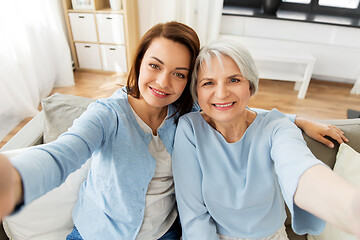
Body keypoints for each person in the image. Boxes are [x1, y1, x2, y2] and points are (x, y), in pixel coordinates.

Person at [0, 22, 349, 240]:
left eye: (180, 74)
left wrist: (296, 120)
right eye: (154, 66)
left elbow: (239, 109)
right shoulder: (107, 115)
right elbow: (63, 154)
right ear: (138, 65)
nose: (164, 83)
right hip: (97, 234)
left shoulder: (188, 112)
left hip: (164, 234)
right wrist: (14, 178)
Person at [172, 39, 360, 240]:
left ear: (250, 86)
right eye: (208, 83)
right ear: (197, 92)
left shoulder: (276, 127)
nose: (222, 93)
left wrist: (351, 208)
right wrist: (299, 119)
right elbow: (193, 216)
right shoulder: (190, 129)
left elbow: (299, 167)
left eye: (234, 80)